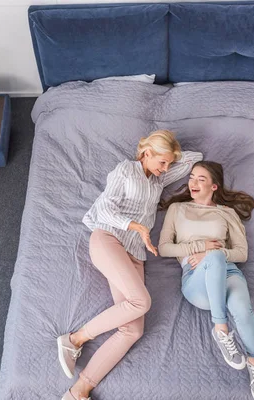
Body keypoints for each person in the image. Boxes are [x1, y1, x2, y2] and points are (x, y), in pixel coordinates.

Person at [57, 130, 203, 400]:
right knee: (141, 302)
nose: (166, 168)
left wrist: (171, 156)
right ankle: (75, 339)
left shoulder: (158, 180)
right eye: (162, 162)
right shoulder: (125, 170)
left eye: (169, 164)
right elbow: (105, 210)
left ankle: (79, 390)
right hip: (109, 239)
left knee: (133, 330)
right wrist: (136, 226)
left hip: (135, 254)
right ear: (146, 153)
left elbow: (195, 159)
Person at [158, 161, 254, 400]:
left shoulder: (226, 213)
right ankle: (221, 329)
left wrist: (212, 254)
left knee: (243, 309)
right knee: (215, 257)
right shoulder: (177, 209)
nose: (193, 183)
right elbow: (165, 247)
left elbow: (241, 253)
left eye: (201, 179)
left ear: (214, 186)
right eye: (191, 177)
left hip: (228, 273)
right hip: (195, 280)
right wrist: (200, 248)